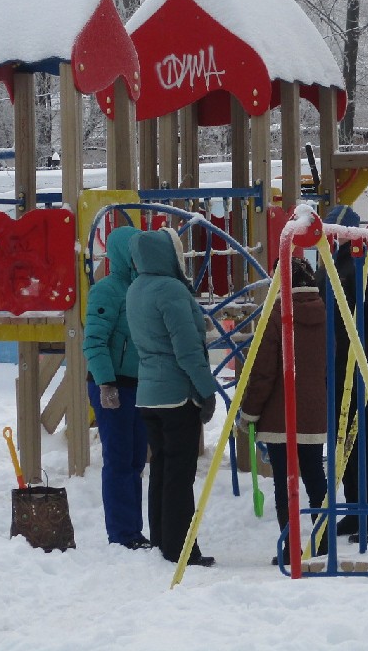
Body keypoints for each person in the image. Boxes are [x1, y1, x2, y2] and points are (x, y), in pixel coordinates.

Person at [125, 228, 218, 567]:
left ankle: (164, 541)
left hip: (148, 394)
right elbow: (187, 350)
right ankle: (182, 548)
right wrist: (206, 391)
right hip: (177, 395)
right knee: (180, 475)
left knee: (162, 470)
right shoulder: (171, 289)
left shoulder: (136, 288)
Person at [239, 256, 328, 563]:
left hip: (279, 414)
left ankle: (291, 546)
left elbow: (264, 371)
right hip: (314, 412)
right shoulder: (326, 312)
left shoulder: (275, 314)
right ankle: (324, 541)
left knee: (283, 481)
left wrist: (249, 411)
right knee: (315, 475)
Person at [316, 205, 368, 544]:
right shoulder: (333, 264)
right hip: (335, 364)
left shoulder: (367, 268)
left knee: (360, 439)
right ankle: (354, 510)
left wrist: (365, 356)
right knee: (341, 441)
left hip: (359, 365)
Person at [81, 225, 151, 550]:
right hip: (112, 387)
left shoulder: (144, 287)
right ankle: (122, 534)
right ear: (121, 254)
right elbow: (94, 341)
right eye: (134, 251)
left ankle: (133, 530)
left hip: (140, 386)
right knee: (120, 460)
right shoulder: (107, 290)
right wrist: (106, 383)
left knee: (136, 460)